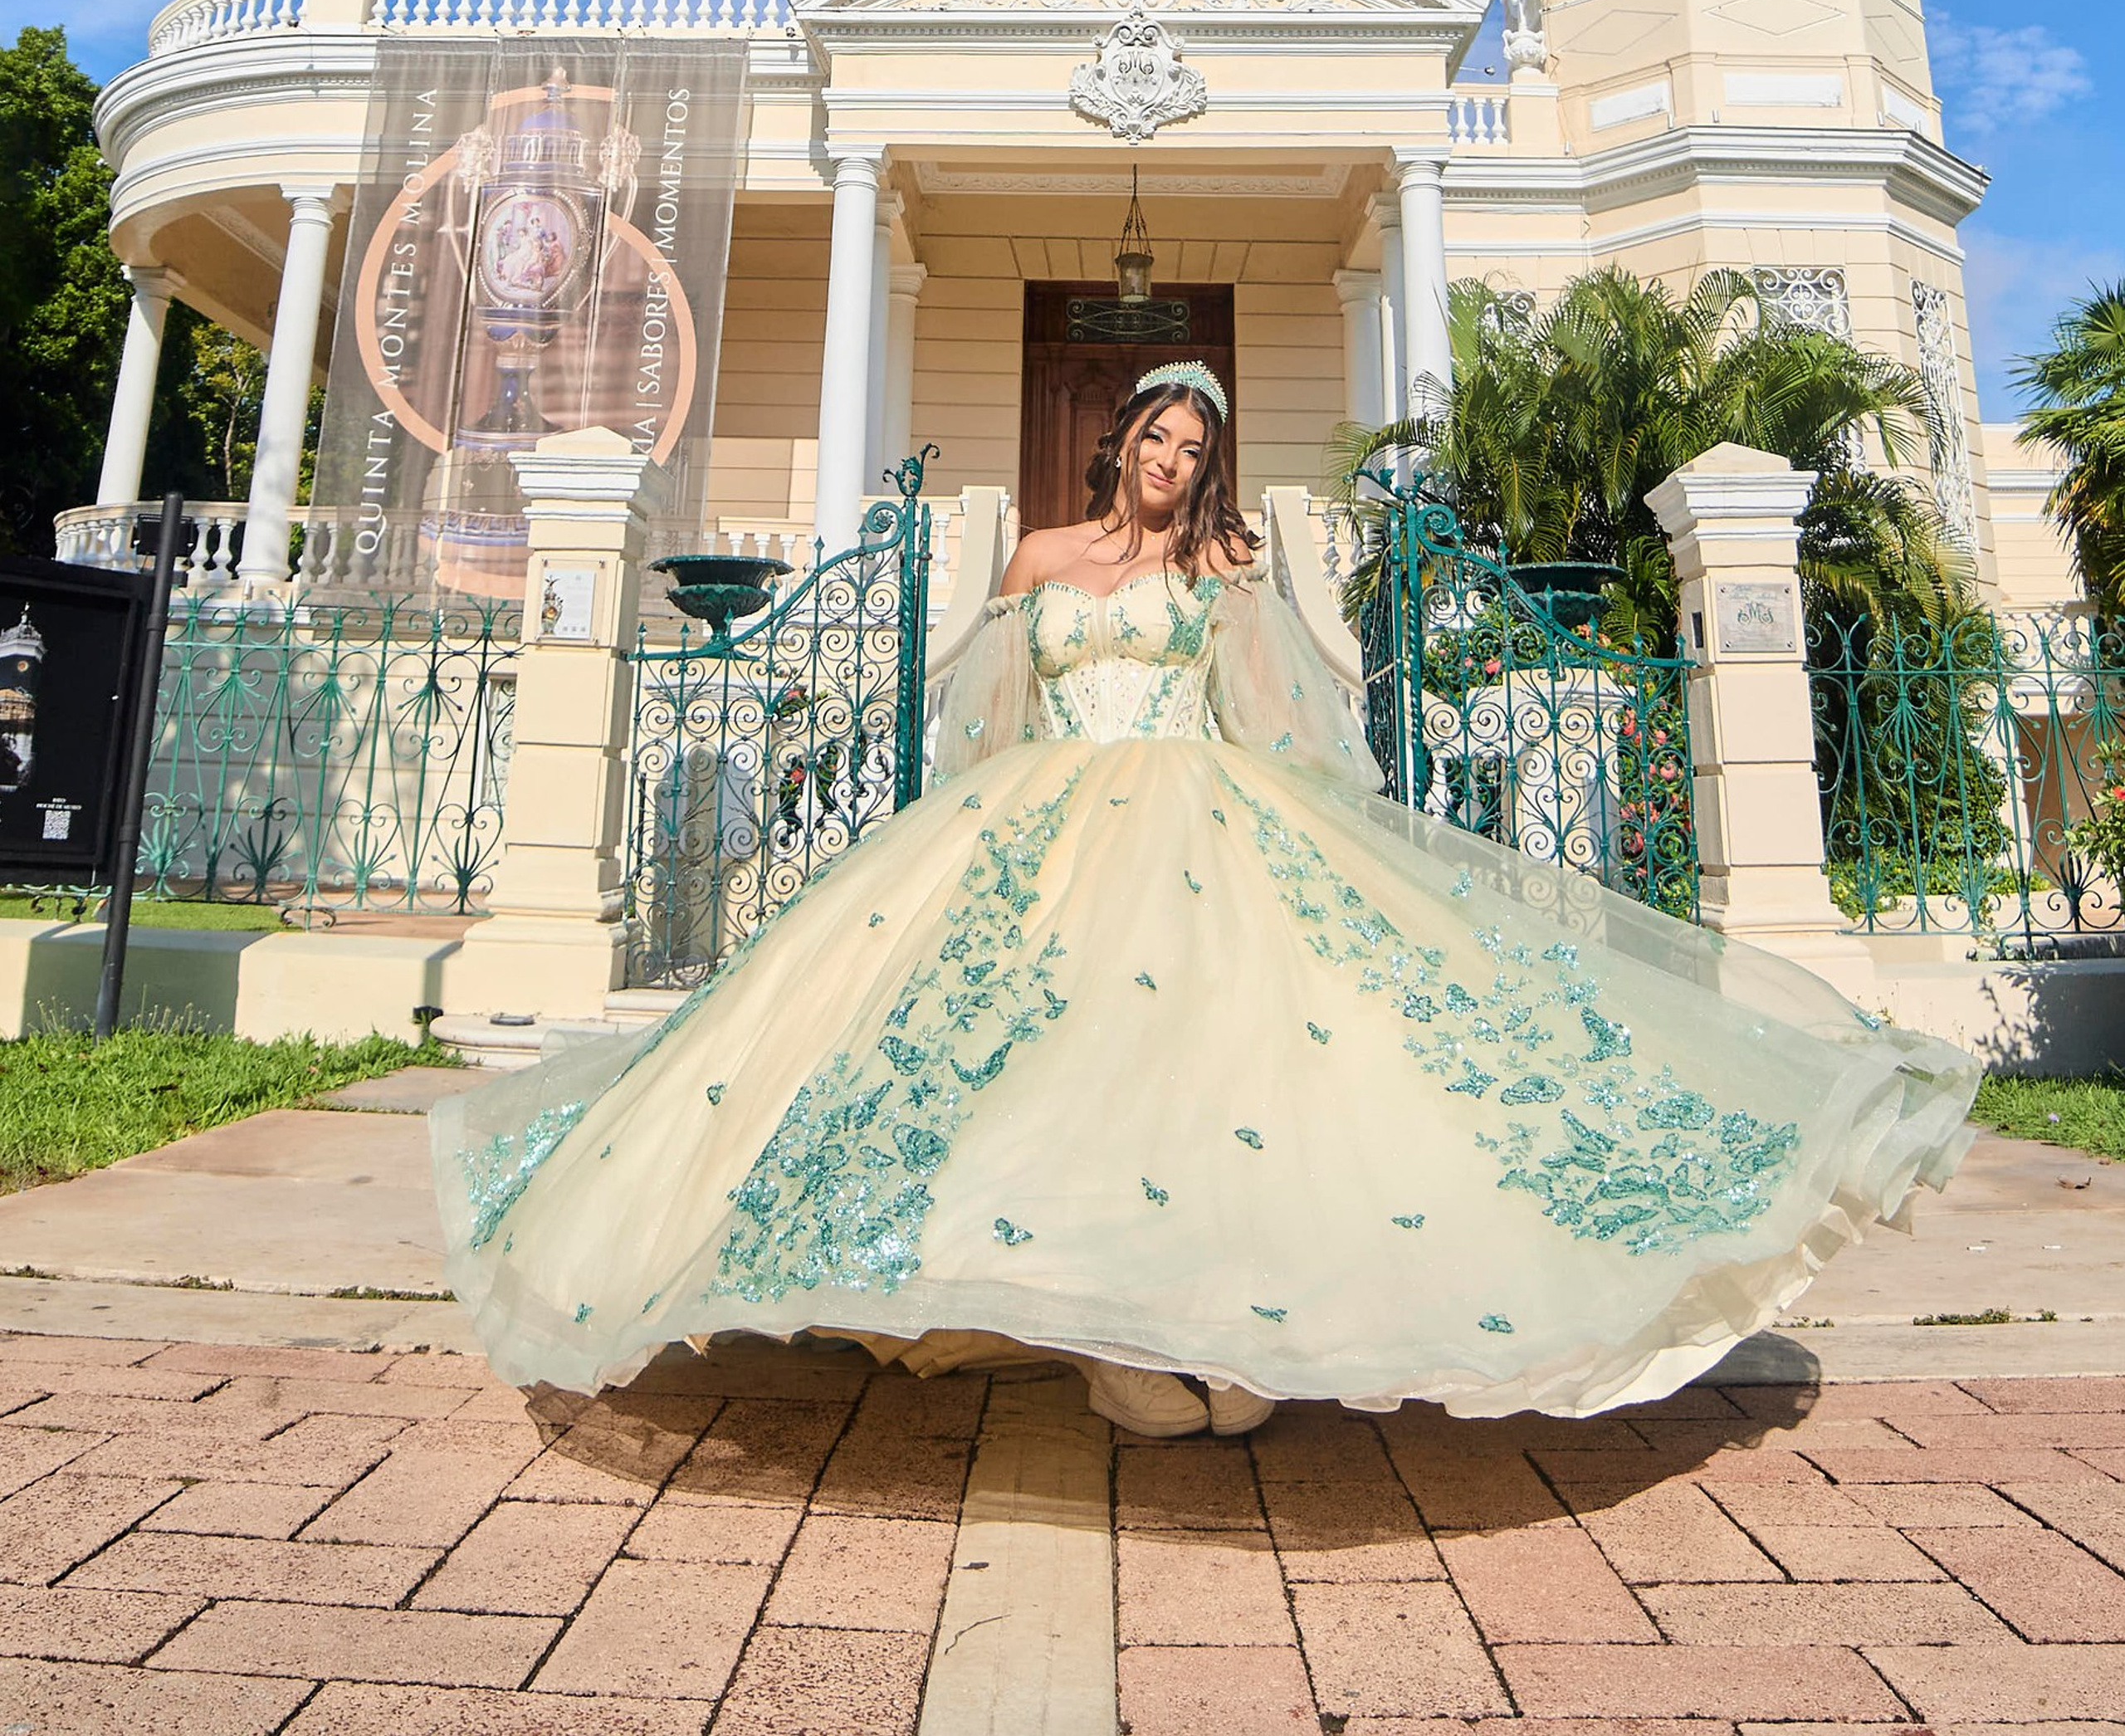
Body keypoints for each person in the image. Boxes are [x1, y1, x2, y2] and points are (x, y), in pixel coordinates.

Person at [434, 363, 1977, 1432]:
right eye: (1153, 446)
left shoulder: (1229, 561)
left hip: (1199, 818)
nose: (1170, 470)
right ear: (1116, 446)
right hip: (1042, 832)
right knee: (1040, 1080)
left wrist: (1259, 637)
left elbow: (1282, 719)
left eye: (1192, 453)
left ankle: (1232, 1330)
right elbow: (986, 717)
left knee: (1229, 1084)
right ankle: (1107, 1347)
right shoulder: (1037, 556)